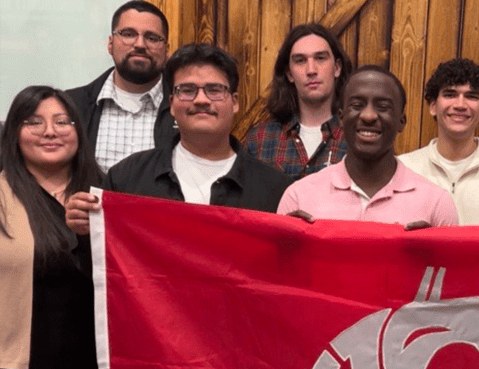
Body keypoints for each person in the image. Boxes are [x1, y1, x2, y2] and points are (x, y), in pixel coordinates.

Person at [65, 43, 293, 235]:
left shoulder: (274, 189)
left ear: (234, 102)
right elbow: (106, 267)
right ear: (171, 103)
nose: (201, 100)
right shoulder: (127, 179)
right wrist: (84, 229)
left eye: (214, 90)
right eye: (187, 90)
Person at [0, 86, 104, 369]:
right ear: (14, 131)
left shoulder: (105, 193)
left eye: (63, 122)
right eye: (34, 122)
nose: (50, 132)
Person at [278, 65, 458, 227]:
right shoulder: (299, 197)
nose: (369, 116)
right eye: (357, 105)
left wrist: (428, 255)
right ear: (341, 118)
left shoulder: (436, 203)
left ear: (401, 122)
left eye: (382, 107)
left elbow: (449, 265)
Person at [399, 58, 479, 225]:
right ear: (433, 106)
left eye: (471, 96)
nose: (460, 105)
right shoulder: (403, 168)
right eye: (450, 94)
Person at [67, 0, 176, 172]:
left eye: (152, 38)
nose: (140, 44)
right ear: (110, 44)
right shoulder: (71, 105)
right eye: (128, 34)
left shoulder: (184, 106)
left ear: (166, 50)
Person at [242, 24, 352, 180]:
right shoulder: (260, 138)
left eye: (320, 58)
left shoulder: (355, 137)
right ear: (289, 74)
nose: (311, 70)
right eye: (300, 61)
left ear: (337, 68)